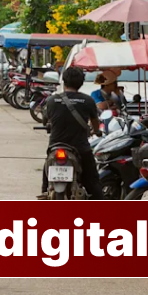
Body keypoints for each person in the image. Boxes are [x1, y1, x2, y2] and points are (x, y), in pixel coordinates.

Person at [41, 67, 103, 199]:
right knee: (92, 180)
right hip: (80, 148)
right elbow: (95, 122)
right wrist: (95, 131)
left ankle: (43, 192)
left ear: (64, 81)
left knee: (47, 165)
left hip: (56, 145)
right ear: (81, 82)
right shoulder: (88, 101)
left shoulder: (52, 100)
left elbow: (46, 119)